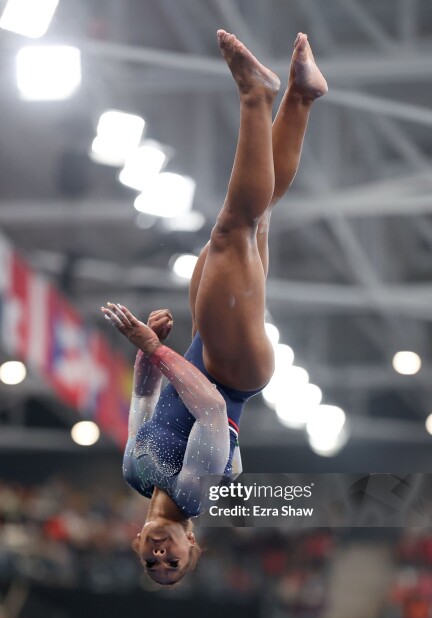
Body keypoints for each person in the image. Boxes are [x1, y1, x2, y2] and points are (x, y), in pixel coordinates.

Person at [102, 30, 328, 584]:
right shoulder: (196, 493)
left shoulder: (135, 471)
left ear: (136, 542)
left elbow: (146, 400)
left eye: (150, 561)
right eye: (172, 563)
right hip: (232, 373)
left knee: (255, 219)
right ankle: (256, 94)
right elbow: (205, 408)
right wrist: (153, 347)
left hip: (205, 351)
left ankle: (300, 97)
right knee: (232, 230)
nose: (160, 553)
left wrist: (145, 358)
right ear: (191, 545)